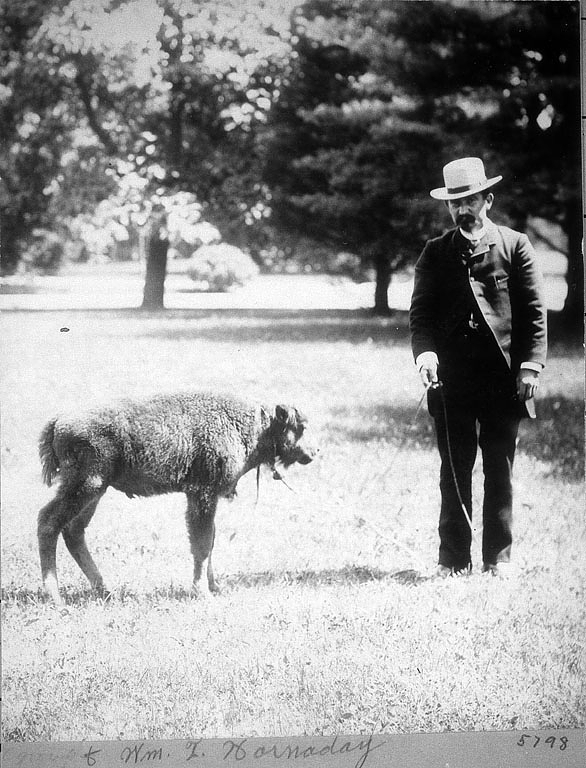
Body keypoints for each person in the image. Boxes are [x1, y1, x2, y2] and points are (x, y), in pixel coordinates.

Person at [409, 157, 547, 578]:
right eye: (455, 204)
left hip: (502, 378)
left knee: (499, 468)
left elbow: (533, 312)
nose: (462, 210)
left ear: (488, 199)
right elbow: (421, 315)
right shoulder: (435, 252)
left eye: (469, 200)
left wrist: (529, 367)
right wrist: (426, 355)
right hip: (451, 380)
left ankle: (497, 559)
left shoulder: (515, 245)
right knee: (453, 471)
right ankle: (452, 560)